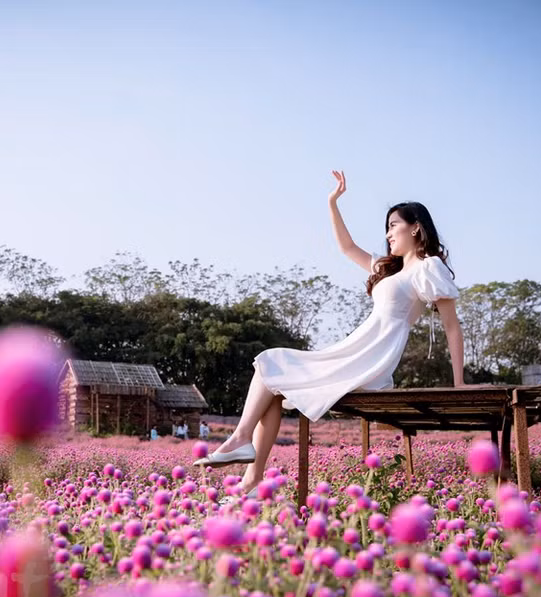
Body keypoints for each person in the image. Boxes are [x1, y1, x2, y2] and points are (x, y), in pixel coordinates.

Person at [194, 170, 465, 499]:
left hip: (370, 360)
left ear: (416, 227)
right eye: (388, 227)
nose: (389, 233)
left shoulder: (428, 267)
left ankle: (241, 443)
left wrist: (459, 384)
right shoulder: (389, 269)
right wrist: (332, 202)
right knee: (273, 379)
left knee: (271, 361)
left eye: (394, 225)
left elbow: (452, 327)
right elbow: (347, 247)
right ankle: (250, 480)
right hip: (355, 351)